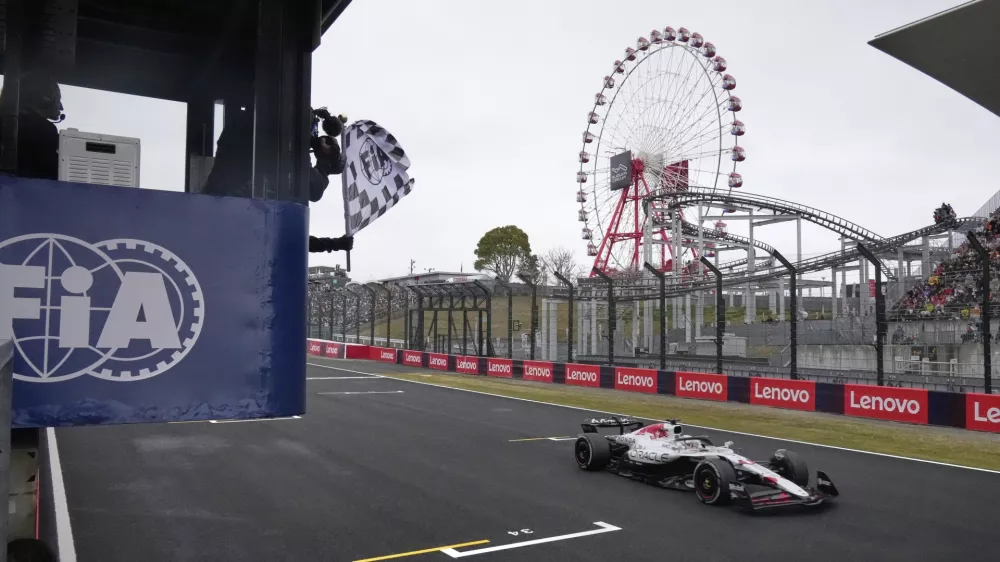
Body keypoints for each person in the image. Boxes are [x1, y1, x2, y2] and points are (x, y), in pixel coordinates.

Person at [0, 70, 64, 180]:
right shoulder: (44, 130)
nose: (61, 107)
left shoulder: (7, 123)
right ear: (44, 99)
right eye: (58, 99)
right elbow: (57, 173)